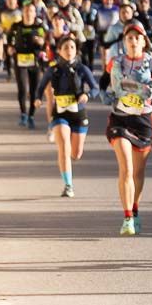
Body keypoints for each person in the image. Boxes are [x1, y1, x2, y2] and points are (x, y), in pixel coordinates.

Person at [103, 21, 152, 235]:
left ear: (144, 41)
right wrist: (103, 93)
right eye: (129, 37)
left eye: (137, 37)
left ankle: (135, 208)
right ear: (124, 41)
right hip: (120, 119)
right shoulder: (115, 63)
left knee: (138, 171)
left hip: (143, 121)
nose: (133, 41)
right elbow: (103, 82)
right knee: (126, 168)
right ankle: (127, 217)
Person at [34, 36, 99, 197]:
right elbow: (41, 86)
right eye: (65, 47)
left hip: (78, 113)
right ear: (59, 51)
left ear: (76, 50)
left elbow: (95, 88)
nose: (69, 50)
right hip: (60, 113)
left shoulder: (82, 69)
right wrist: (37, 98)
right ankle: (68, 185)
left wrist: (87, 95)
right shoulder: (53, 69)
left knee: (76, 154)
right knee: (63, 145)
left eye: (72, 47)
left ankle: (68, 159)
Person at [8, 0, 47, 128]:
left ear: (35, 13)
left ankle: (31, 116)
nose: (28, 13)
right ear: (22, 13)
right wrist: (10, 48)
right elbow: (9, 40)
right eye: (26, 11)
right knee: (23, 89)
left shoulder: (39, 27)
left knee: (34, 91)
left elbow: (45, 43)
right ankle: (23, 114)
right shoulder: (16, 26)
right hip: (20, 61)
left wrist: (41, 42)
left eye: (31, 11)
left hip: (35, 62)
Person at [0, 0, 22, 79]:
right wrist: (0, 29)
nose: (11, 1)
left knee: (16, 55)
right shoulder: (2, 13)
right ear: (7, 2)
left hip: (18, 36)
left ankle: (18, 71)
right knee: (7, 54)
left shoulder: (20, 12)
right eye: (9, 0)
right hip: (7, 35)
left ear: (16, 1)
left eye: (13, 0)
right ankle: (9, 72)